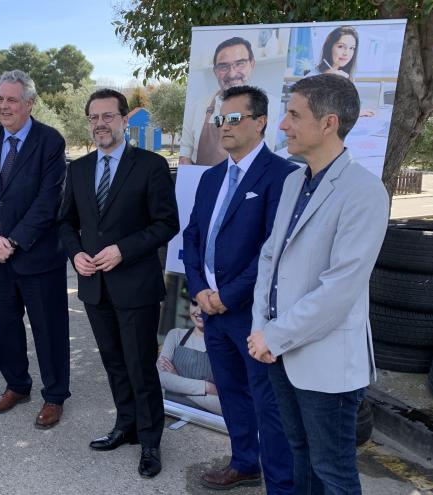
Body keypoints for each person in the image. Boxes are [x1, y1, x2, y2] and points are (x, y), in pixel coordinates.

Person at [247, 74, 389, 494]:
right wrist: (260, 326)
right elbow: (270, 258)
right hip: (278, 351)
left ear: (328, 123)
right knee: (299, 455)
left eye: (294, 114)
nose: (283, 125)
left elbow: (340, 289)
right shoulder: (294, 180)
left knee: (334, 471)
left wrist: (273, 335)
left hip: (324, 363)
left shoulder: (364, 192)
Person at [59, 89, 179, 478]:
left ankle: (150, 442)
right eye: (93, 118)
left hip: (136, 286)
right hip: (94, 288)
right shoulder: (78, 169)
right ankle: (126, 426)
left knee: (140, 365)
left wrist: (123, 251)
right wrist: (74, 253)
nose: (99, 124)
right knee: (114, 363)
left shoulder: (151, 165)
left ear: (125, 120)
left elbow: (166, 223)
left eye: (107, 116)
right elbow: (65, 222)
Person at [182, 85, 296, 492]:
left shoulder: (283, 176)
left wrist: (226, 297)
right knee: (232, 394)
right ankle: (245, 463)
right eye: (219, 119)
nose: (223, 127)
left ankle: (281, 485)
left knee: (269, 405)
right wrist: (199, 291)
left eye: (233, 119)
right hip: (212, 311)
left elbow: (273, 251)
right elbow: (193, 236)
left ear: (260, 122)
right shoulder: (212, 176)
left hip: (252, 314)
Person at [0, 70, 70, 429]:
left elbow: (48, 201)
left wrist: (12, 240)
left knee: (48, 329)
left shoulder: (50, 141)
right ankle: (17, 386)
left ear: (29, 103)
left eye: (11, 99)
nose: (3, 106)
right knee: (4, 327)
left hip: (37, 256)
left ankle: (55, 395)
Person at [179, 37, 256, 166]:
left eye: (240, 63)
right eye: (223, 66)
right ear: (215, 71)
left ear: (252, 64)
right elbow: (184, 152)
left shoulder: (272, 108)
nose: (232, 74)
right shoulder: (196, 108)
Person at [157, 298, 222, 415]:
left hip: (206, 423)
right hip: (169, 412)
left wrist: (175, 380)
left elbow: (224, 406)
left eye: (205, 304)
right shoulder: (175, 335)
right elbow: (160, 378)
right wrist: (206, 387)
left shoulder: (223, 347)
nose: (199, 311)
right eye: (195, 303)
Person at [306, 26, 375, 118]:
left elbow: (340, 110)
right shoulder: (314, 76)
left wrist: (356, 113)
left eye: (351, 48)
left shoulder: (346, 75)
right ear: (329, 47)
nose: (346, 53)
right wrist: (326, 79)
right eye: (341, 46)